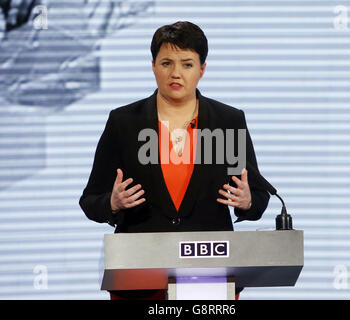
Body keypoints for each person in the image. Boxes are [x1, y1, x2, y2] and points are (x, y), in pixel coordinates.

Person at [79, 21, 270, 300]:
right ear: (153, 66)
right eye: (167, 63)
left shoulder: (227, 122)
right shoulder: (124, 123)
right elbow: (90, 199)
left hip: (210, 276)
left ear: (202, 69)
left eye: (187, 64)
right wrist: (112, 202)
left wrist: (248, 201)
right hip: (139, 277)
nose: (176, 73)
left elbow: (260, 196)